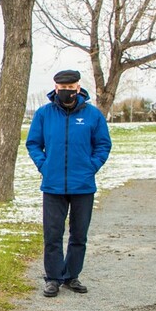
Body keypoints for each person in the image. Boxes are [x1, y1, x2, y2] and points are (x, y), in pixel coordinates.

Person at [25, 69, 112, 297]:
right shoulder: (44, 114)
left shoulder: (93, 115)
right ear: (55, 88)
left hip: (83, 185)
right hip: (53, 185)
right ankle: (53, 277)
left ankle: (71, 275)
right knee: (52, 234)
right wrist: (44, 165)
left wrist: (91, 166)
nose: (66, 92)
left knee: (79, 234)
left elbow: (103, 145)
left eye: (70, 88)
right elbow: (33, 143)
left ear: (78, 87)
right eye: (61, 89)